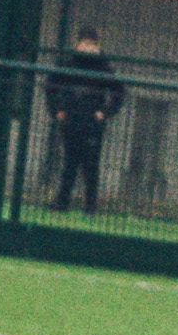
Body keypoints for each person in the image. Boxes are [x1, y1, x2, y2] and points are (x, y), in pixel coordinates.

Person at [45, 26, 125, 216]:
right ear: (78, 44)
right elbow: (50, 86)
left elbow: (119, 92)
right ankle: (62, 201)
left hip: (92, 121)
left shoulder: (103, 67)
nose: (88, 48)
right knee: (69, 162)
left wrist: (104, 113)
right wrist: (57, 110)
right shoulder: (68, 63)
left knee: (91, 164)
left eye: (92, 44)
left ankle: (90, 206)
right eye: (85, 43)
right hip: (71, 119)